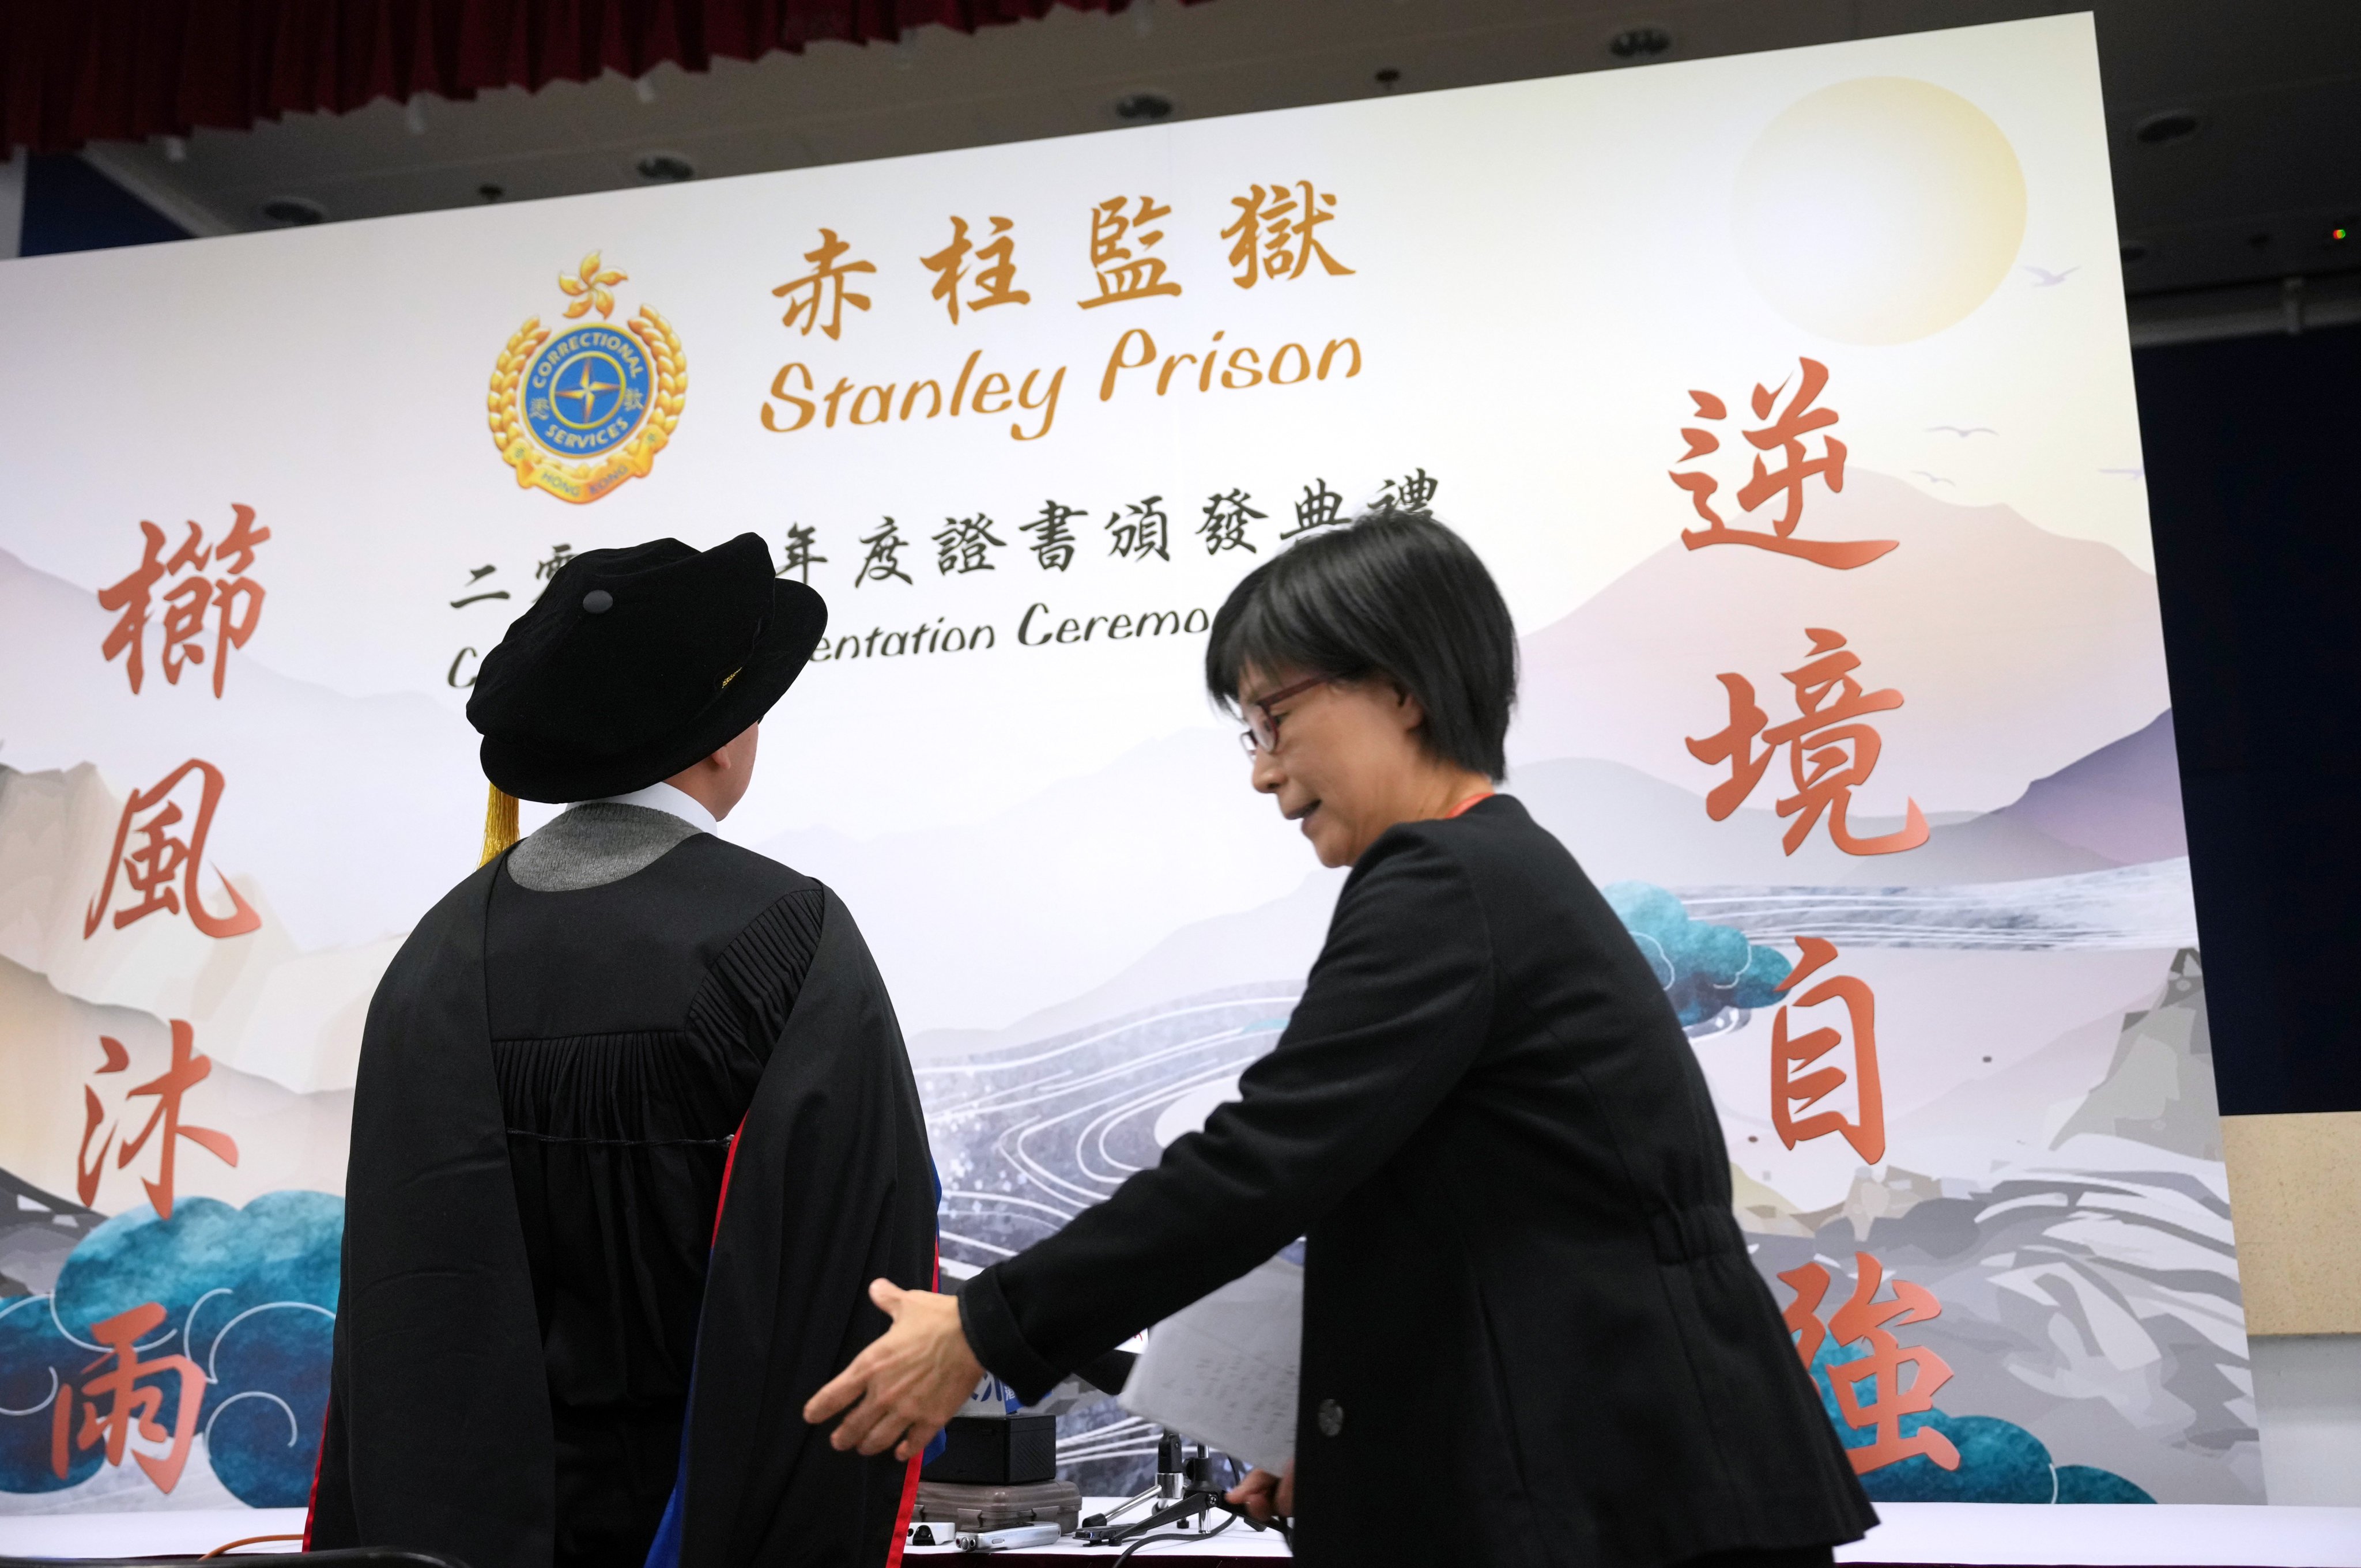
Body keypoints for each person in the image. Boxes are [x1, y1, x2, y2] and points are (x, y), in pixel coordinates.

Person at [803, 511, 1876, 1566]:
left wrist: (986, 1328)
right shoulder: (1501, 875)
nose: (1263, 771)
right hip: (1639, 1474)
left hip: (1621, 1490)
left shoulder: (1444, 880)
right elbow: (1475, 1233)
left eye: (1274, 717)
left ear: (1399, 686)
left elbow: (1263, 1158)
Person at [308, 534, 937, 1568]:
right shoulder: (785, 937)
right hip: (698, 1524)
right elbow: (857, 1263)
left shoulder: (434, 956)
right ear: (728, 736)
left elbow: (396, 1308)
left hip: (456, 1539)